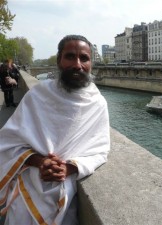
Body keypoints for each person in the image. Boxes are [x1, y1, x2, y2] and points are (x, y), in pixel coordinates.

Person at [0, 35, 110, 225]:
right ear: (59, 60)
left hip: (65, 198)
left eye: (84, 58)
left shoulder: (98, 103)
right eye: (70, 56)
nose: (77, 64)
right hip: (27, 192)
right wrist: (40, 162)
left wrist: (69, 168)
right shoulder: (37, 94)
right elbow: (8, 141)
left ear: (91, 63)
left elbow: (100, 150)